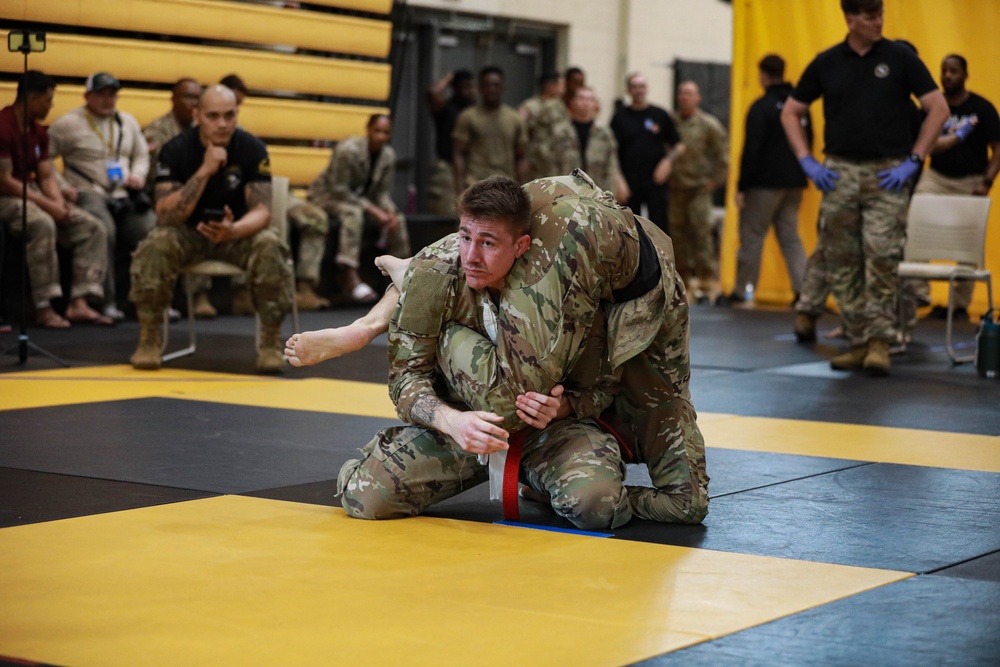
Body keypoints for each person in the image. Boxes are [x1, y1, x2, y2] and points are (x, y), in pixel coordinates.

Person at [288, 172, 709, 528]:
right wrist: (452, 421)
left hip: (552, 434)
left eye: (488, 244)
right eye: (464, 238)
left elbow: (603, 386)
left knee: (596, 507)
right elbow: (405, 382)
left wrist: (562, 407)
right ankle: (392, 299)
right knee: (364, 497)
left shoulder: (564, 291)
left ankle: (540, 480)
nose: (471, 256)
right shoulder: (440, 275)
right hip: (468, 428)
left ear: (521, 247)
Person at [781, 0, 949, 375]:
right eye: (871, 16)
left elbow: (938, 108)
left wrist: (915, 159)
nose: (879, 22)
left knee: (882, 257)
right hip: (839, 172)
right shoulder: (827, 62)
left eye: (881, 15)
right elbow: (791, 111)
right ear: (850, 19)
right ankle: (858, 341)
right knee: (841, 260)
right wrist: (807, 160)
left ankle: (879, 344)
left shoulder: (900, 57)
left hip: (886, 172)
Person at [128, 85, 292, 373]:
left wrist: (234, 229)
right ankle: (149, 337)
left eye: (229, 115)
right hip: (188, 232)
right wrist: (204, 170)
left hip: (236, 233)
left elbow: (262, 211)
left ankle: (270, 341)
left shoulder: (252, 148)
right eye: (213, 116)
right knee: (155, 245)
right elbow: (166, 214)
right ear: (197, 116)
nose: (222, 124)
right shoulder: (175, 149)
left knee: (269, 244)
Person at [0, 70, 110, 329]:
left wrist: (59, 205)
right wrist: (48, 206)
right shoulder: (3, 127)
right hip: (5, 196)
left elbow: (47, 175)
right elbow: (5, 180)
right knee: (42, 223)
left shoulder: (39, 132)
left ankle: (79, 302)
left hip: (31, 192)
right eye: (47, 100)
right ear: (32, 98)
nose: (51, 106)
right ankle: (44, 307)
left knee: (92, 226)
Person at [48, 72, 156, 322]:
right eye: (101, 94)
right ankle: (106, 301)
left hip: (123, 192)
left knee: (149, 228)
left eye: (112, 94)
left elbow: (141, 155)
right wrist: (62, 186)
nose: (108, 100)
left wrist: (138, 175)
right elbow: (44, 159)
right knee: (104, 228)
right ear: (87, 96)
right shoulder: (67, 124)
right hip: (88, 190)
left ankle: (151, 298)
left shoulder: (127, 122)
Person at [909, 54, 1000, 322]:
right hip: (936, 177)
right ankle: (919, 292)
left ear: (965, 75)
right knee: (915, 223)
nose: (948, 76)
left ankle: (958, 305)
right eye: (944, 71)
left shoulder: (981, 108)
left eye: (954, 71)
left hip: (971, 180)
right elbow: (919, 142)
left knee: (967, 242)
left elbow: (998, 149)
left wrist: (986, 181)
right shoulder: (933, 107)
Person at [732, 55, 811, 305]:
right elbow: (808, 142)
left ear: (763, 75)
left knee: (753, 236)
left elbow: (751, 149)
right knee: (790, 237)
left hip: (764, 184)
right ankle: (805, 293)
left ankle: (744, 291)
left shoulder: (761, 107)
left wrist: (742, 186)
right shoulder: (799, 106)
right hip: (794, 182)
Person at [307, 113, 409, 303]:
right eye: (377, 131)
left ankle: (402, 274)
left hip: (359, 201)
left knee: (398, 219)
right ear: (368, 130)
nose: (380, 136)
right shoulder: (347, 150)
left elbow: (382, 193)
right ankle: (349, 275)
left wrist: (389, 211)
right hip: (327, 197)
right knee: (353, 214)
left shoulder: (387, 156)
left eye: (385, 132)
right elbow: (339, 189)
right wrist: (374, 211)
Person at [143, 77, 206, 318]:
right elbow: (153, 178)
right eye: (188, 97)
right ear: (174, 99)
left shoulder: (203, 129)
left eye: (197, 98)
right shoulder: (158, 132)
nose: (193, 103)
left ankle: (200, 296)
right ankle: (163, 298)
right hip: (159, 198)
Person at [670, 81, 729, 304]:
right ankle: (682, 284)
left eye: (689, 94)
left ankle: (707, 284)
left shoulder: (708, 125)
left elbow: (723, 158)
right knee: (677, 237)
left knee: (701, 235)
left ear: (698, 98)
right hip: (675, 189)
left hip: (699, 190)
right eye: (681, 93)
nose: (684, 97)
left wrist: (713, 183)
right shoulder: (671, 123)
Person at [611, 72, 684, 236]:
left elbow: (679, 146)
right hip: (629, 182)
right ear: (628, 90)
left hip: (656, 181)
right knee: (628, 229)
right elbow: (611, 152)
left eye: (642, 86)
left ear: (647, 89)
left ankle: (658, 254)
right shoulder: (619, 118)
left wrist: (667, 162)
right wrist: (618, 180)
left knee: (659, 228)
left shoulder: (660, 114)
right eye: (634, 87)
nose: (639, 90)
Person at [452, 66, 527, 196]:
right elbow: (459, 154)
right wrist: (459, 190)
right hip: (475, 185)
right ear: (480, 88)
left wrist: (523, 189)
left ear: (503, 88)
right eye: (487, 85)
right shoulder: (468, 117)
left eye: (496, 85)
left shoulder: (515, 119)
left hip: (506, 187)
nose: (491, 89)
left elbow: (521, 157)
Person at [551, 86, 627, 199]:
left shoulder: (604, 134)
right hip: (566, 192)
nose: (585, 103)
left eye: (589, 99)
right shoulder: (560, 132)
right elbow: (551, 164)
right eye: (581, 98)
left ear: (594, 104)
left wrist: (610, 195)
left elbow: (611, 166)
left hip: (596, 193)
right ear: (572, 102)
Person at [425, 70, 476, 216]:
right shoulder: (447, 108)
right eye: (465, 87)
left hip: (472, 169)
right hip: (447, 168)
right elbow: (433, 93)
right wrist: (449, 78)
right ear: (456, 88)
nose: (469, 91)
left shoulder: (476, 111)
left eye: (471, 87)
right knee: (447, 213)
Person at [518, 71, 563, 181]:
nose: (562, 89)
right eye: (560, 85)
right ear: (550, 85)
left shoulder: (561, 106)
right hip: (536, 159)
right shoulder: (530, 105)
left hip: (557, 158)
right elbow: (519, 128)